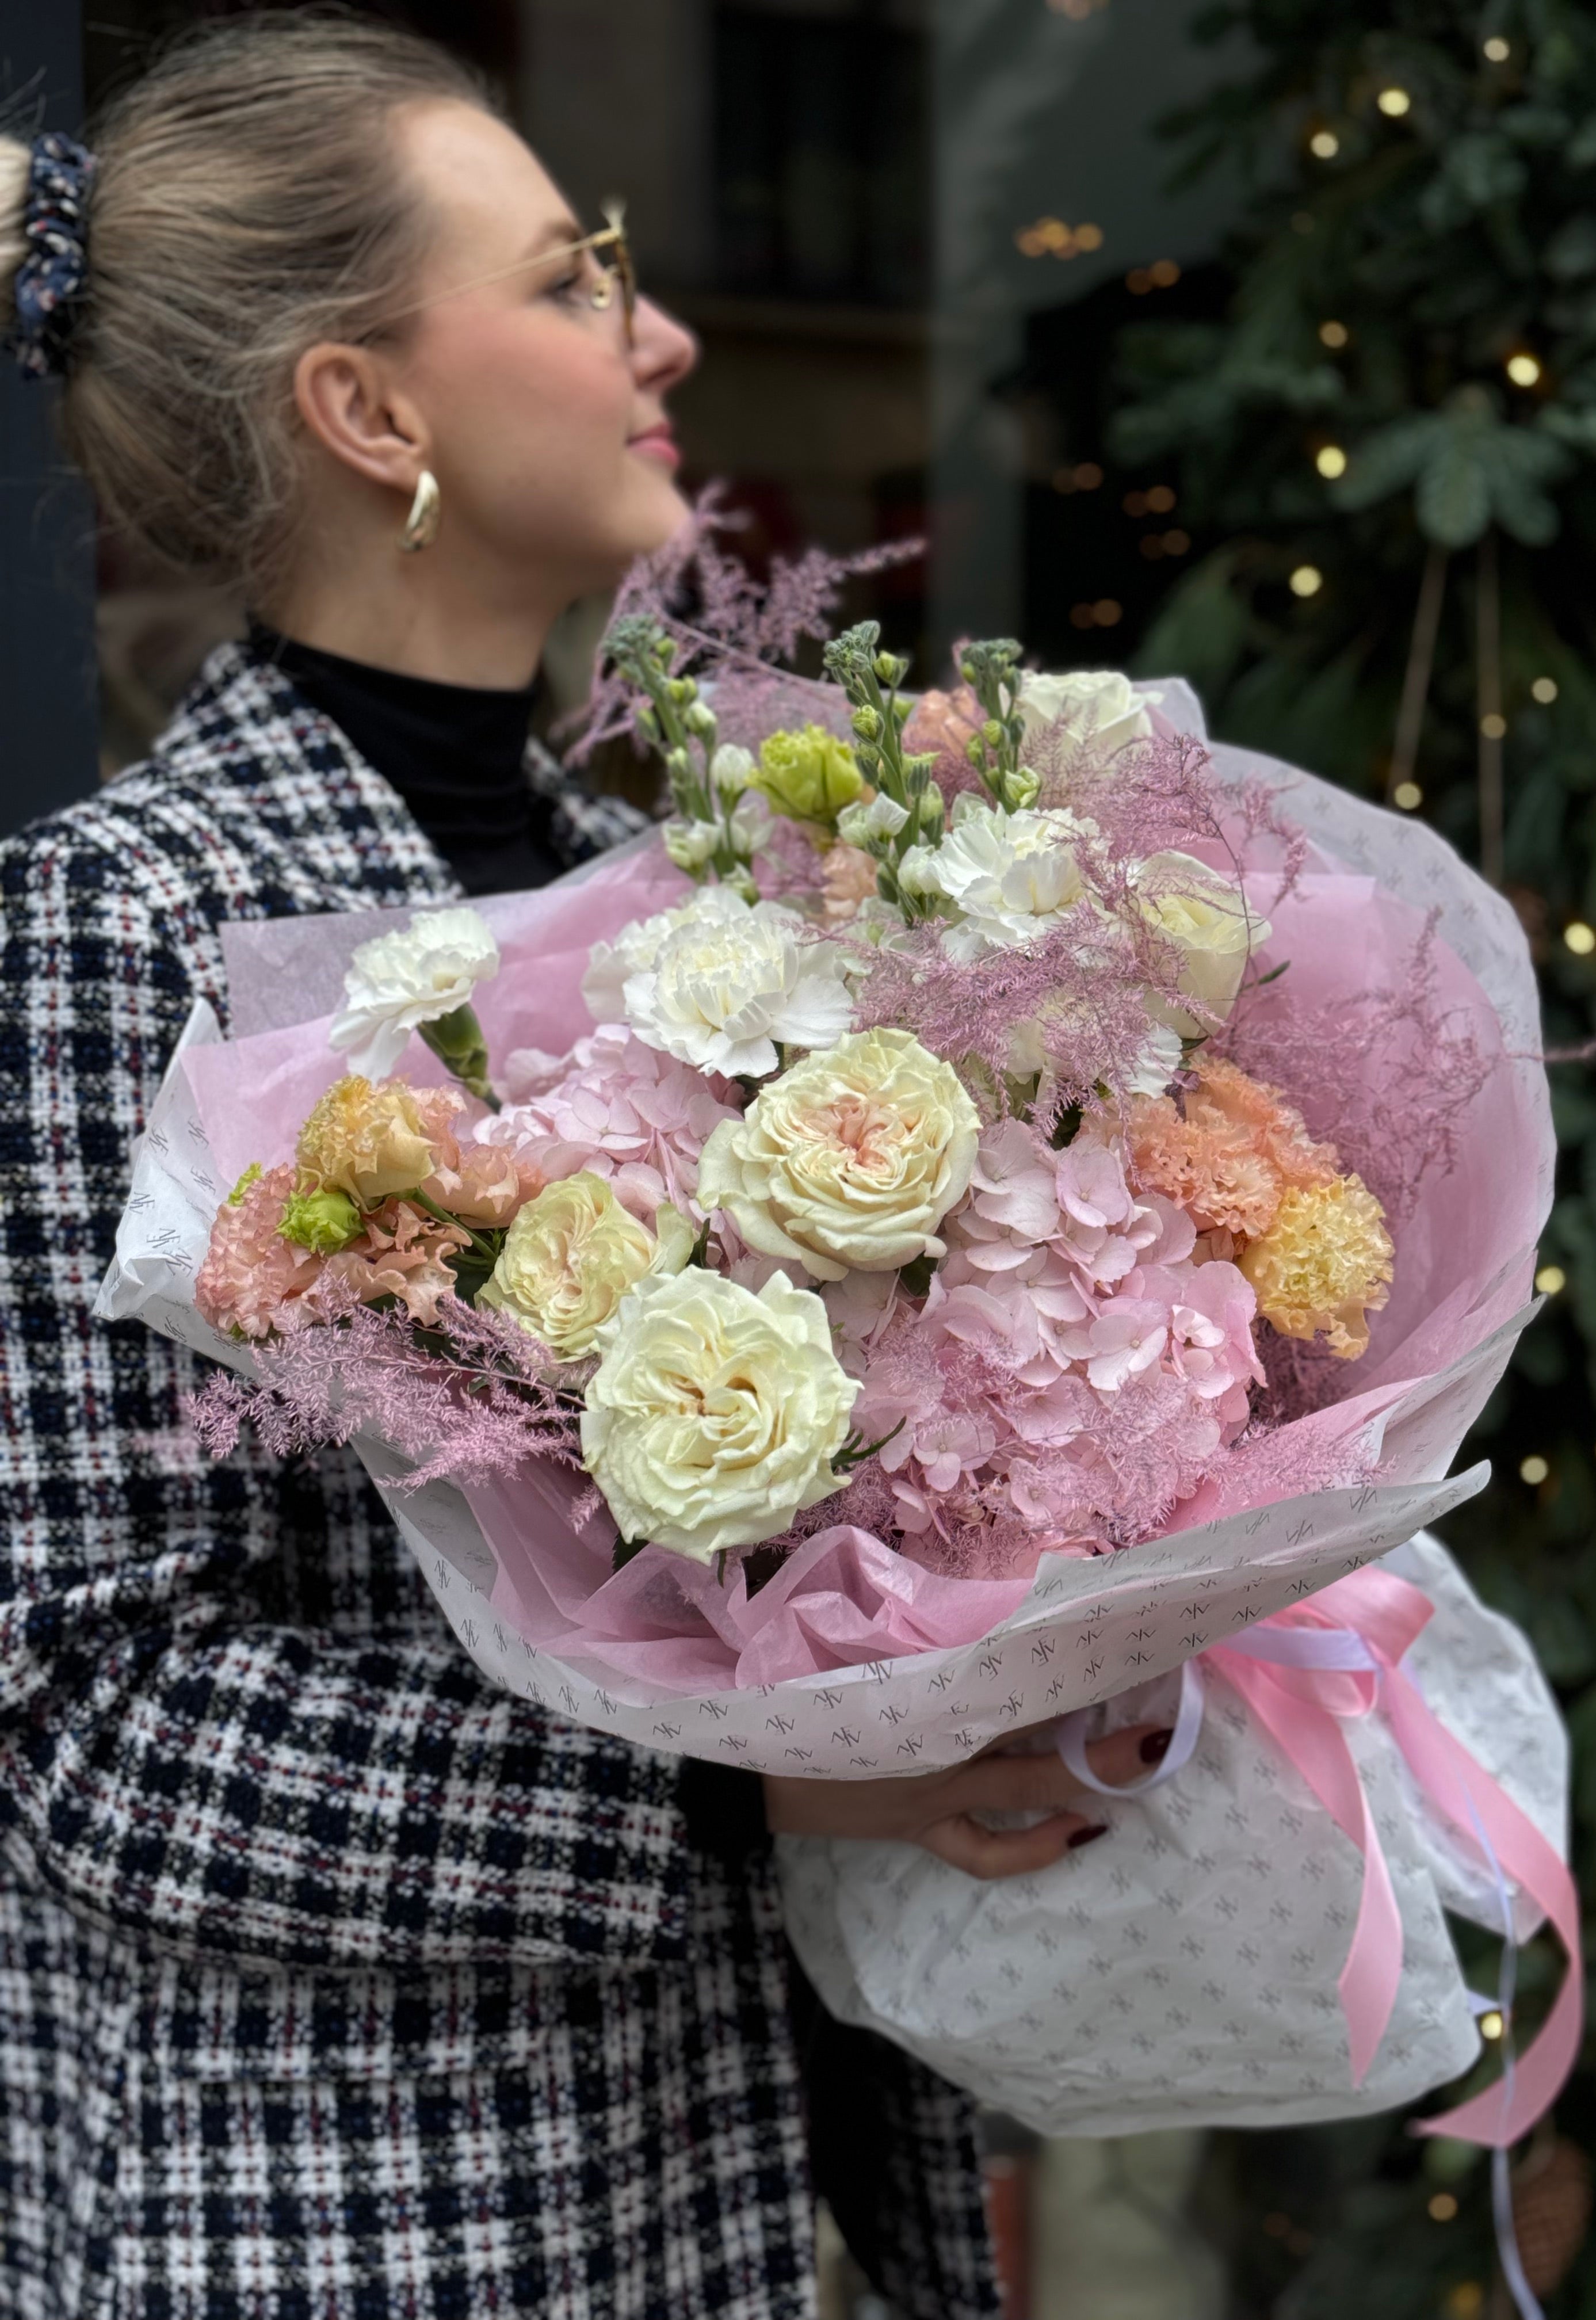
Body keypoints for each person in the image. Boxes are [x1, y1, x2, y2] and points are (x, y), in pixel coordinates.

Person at [0, 17, 1163, 2318]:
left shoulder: (690, 905)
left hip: (728, 2188)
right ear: (370, 410)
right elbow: (91, 1722)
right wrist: (747, 1792)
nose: (664, 335)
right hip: (340, 2223)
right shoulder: (117, 929)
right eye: (566, 282)